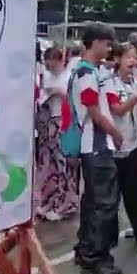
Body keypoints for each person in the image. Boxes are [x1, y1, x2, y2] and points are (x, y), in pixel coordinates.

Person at [70, 22, 123, 274]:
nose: (110, 48)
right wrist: (115, 132)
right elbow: (94, 112)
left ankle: (85, 249)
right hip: (96, 145)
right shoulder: (86, 73)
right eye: (107, 43)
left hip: (93, 146)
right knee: (104, 204)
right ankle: (97, 258)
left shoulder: (86, 70)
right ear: (97, 43)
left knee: (92, 201)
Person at [107, 42, 137, 250]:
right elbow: (118, 109)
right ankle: (108, 242)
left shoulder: (134, 82)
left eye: (135, 57)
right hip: (114, 148)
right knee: (111, 198)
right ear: (117, 59)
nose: (133, 61)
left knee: (136, 197)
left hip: (133, 145)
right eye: (128, 57)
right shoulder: (109, 83)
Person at [35, 45, 80, 220]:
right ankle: (50, 200)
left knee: (63, 167)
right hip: (49, 126)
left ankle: (66, 203)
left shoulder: (69, 77)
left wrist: (59, 93)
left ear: (59, 60)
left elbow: (75, 101)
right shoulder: (47, 77)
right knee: (49, 166)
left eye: (52, 61)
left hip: (62, 123)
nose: (49, 65)